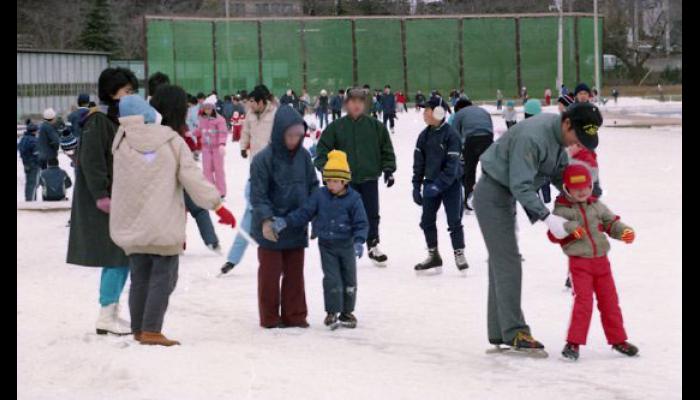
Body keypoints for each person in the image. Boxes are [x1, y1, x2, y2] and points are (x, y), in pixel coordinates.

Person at [473, 102, 603, 354]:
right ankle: (515, 331)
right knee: (508, 260)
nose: (577, 143)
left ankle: (500, 330)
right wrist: (548, 218)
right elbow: (521, 186)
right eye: (578, 135)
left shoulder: (557, 139)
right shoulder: (533, 137)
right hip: (492, 194)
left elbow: (559, 175)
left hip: (505, 194)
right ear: (567, 123)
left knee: (500, 262)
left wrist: (586, 201)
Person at [110, 94, 236, 346]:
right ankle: (152, 330)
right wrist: (217, 204)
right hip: (163, 223)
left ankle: (139, 328)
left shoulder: (120, 143)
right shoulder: (171, 140)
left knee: (140, 277)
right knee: (163, 277)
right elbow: (192, 178)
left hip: (131, 224)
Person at [67, 67, 138, 336]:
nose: (131, 96)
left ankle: (110, 311)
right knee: (116, 254)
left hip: (117, 197)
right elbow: (91, 161)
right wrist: (101, 196)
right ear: (112, 93)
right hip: (105, 200)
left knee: (120, 255)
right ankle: (106, 313)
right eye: (127, 91)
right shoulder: (98, 121)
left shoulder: (116, 119)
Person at [546, 164, 638, 361]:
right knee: (583, 303)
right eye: (577, 188)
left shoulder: (597, 205)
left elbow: (611, 223)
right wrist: (571, 229)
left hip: (602, 262)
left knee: (610, 303)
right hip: (580, 264)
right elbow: (553, 233)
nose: (582, 192)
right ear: (566, 188)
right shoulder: (562, 210)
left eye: (586, 187)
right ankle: (573, 343)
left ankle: (618, 340)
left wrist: (623, 231)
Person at [271, 150, 368, 329]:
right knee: (332, 279)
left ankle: (347, 311)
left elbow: (361, 222)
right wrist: (286, 221)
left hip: (347, 245)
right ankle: (332, 312)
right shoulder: (320, 196)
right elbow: (304, 213)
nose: (330, 184)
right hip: (327, 245)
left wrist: (359, 241)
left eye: (335, 181)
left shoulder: (354, 199)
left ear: (344, 181)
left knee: (349, 278)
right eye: (328, 180)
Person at [250, 105, 319, 329]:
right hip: (270, 229)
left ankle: (295, 315)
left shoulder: (304, 158)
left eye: (298, 136)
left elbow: (313, 187)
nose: (294, 140)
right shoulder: (262, 160)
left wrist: (312, 215)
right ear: (280, 133)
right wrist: (267, 220)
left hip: (296, 225)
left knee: (294, 275)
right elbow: (258, 195)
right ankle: (269, 317)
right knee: (270, 276)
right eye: (290, 135)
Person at [315, 87, 396, 267]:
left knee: (371, 213)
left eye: (360, 102)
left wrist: (389, 169)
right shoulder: (337, 127)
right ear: (347, 104)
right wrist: (325, 169)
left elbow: (386, 149)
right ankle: (348, 246)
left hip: (369, 177)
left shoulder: (375, 126)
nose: (357, 105)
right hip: (346, 181)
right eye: (353, 101)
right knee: (345, 213)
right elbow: (322, 149)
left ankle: (373, 244)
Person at [152, 85, 223, 254]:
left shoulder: (160, 129)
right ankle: (202, 241)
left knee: (189, 209)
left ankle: (203, 241)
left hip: (177, 178)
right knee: (190, 209)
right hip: (174, 179)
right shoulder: (174, 130)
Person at [221, 84, 278, 275]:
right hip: (256, 169)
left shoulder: (275, 115)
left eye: (254, 102)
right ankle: (233, 258)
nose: (251, 106)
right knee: (250, 209)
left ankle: (274, 254)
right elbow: (245, 131)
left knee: (267, 213)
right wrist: (243, 146)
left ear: (263, 102)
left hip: (274, 170)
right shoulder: (251, 115)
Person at [412, 97, 467, 273]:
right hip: (430, 183)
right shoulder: (424, 136)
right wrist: (416, 185)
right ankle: (433, 254)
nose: (423, 113)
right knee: (426, 221)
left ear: (438, 112)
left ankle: (459, 252)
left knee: (454, 220)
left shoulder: (452, 135)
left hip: (450, 185)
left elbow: (452, 167)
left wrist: (438, 185)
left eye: (426, 109)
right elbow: (418, 164)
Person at [450, 97, 494, 211]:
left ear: (459, 108)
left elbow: (454, 134)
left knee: (469, 170)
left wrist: (459, 149)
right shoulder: (483, 111)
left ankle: (469, 199)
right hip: (488, 140)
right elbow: (490, 128)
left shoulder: (459, 114)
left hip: (471, 141)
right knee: (489, 171)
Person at [195, 95, 228, 199]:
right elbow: (199, 130)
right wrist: (190, 133)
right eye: (205, 108)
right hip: (206, 148)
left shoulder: (220, 120)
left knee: (218, 170)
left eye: (209, 108)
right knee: (206, 170)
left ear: (213, 108)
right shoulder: (202, 119)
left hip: (217, 148)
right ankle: (211, 191)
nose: (207, 110)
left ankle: (221, 192)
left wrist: (222, 145)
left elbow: (223, 133)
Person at [18, 121, 40, 201]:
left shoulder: (23, 139)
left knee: (28, 183)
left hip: (26, 163)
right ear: (34, 131)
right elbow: (36, 154)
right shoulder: (34, 140)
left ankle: (29, 198)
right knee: (33, 183)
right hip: (33, 164)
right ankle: (31, 200)